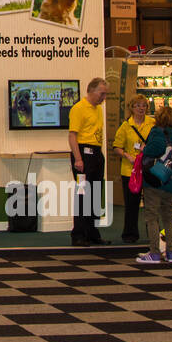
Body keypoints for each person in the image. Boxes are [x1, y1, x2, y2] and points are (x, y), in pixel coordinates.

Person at [135, 106, 172, 264]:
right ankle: (170, 252)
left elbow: (148, 153)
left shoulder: (156, 134)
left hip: (154, 183)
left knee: (152, 217)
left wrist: (143, 149)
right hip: (171, 185)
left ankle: (155, 252)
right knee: (168, 217)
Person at [68, 77, 110, 246]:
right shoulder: (79, 108)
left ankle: (92, 233)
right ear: (91, 91)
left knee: (95, 194)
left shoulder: (98, 109)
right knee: (83, 195)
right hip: (83, 156)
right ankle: (78, 235)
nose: (104, 97)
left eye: (106, 94)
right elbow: (72, 136)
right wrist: (78, 159)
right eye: (102, 93)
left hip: (96, 153)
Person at [110, 94, 153, 244]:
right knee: (131, 204)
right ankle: (130, 234)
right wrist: (127, 155)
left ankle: (153, 234)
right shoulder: (125, 126)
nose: (141, 108)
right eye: (138, 105)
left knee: (151, 203)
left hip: (149, 170)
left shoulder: (153, 123)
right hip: (130, 171)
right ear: (131, 108)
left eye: (144, 105)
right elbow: (116, 146)